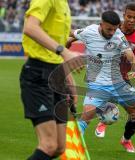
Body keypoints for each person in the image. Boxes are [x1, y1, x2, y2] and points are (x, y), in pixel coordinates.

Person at [72, 10, 135, 151]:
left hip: (119, 84)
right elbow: (71, 34)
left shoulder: (119, 36)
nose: (112, 32)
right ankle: (75, 149)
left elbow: (131, 56)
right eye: (109, 29)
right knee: (84, 119)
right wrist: (66, 45)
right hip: (97, 85)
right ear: (101, 24)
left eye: (115, 29)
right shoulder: (89, 31)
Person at [20, 0, 81, 159]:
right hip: (38, 74)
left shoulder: (64, 3)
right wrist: (63, 51)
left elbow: (57, 50)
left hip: (57, 76)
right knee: (48, 145)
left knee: (59, 147)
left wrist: (69, 80)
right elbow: (30, 27)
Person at [94, 3, 135, 153]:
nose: (131, 20)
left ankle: (126, 140)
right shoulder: (112, 29)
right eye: (129, 16)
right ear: (124, 15)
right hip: (105, 75)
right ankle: (102, 122)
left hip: (123, 79)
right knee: (109, 101)